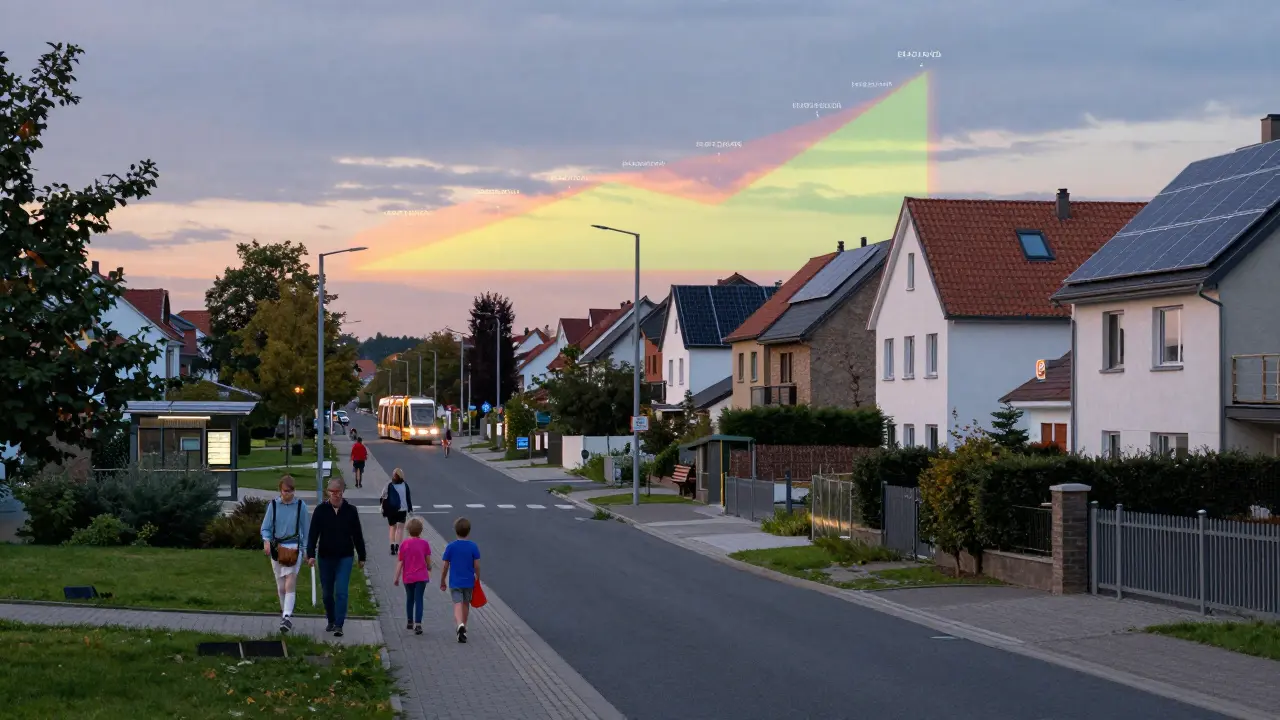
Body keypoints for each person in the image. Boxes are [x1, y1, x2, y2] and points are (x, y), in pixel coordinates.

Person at [307, 479, 366, 637]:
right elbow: (313, 534)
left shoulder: (350, 511)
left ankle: (339, 624)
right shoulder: (321, 510)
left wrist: (362, 556)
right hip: (325, 557)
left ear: (343, 492)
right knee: (327, 593)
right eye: (332, 492)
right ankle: (331, 620)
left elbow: (357, 534)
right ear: (328, 492)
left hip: (345, 557)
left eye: (338, 492)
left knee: (341, 591)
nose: (335, 495)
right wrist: (310, 554)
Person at [260, 475, 309, 634]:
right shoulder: (273, 505)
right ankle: (284, 614)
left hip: (294, 547)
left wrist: (306, 549)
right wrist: (266, 541)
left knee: (290, 580)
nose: (289, 494)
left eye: (292, 491)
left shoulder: (301, 506)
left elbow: (306, 529)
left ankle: (287, 616)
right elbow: (265, 528)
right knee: (281, 586)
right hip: (277, 547)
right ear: (280, 491)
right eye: (286, 491)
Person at [440, 516, 481, 644]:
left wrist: (442, 580)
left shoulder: (451, 547)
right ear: (469, 531)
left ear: (455, 530)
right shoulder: (473, 546)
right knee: (465, 604)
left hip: (455, 581)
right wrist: (477, 577)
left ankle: (459, 625)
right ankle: (464, 626)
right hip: (469, 581)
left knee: (457, 603)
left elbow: (445, 565)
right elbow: (477, 565)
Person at [393, 516, 431, 635]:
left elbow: (400, 562)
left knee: (410, 599)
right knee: (419, 599)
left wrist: (396, 577)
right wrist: (429, 567)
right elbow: (428, 560)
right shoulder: (425, 544)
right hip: (421, 576)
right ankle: (418, 624)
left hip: (408, 577)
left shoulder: (404, 544)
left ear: (408, 530)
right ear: (421, 530)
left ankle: (410, 621)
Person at [381, 468, 413, 556]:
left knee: (392, 527)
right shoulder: (405, 485)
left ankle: (392, 546)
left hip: (391, 510)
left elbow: (383, 494)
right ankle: (398, 546)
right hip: (402, 509)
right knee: (400, 529)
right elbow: (408, 498)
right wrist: (410, 509)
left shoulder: (389, 485)